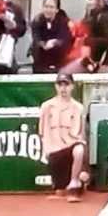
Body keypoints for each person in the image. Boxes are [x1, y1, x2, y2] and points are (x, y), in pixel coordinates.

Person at [39, 73, 87, 203]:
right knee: (60, 191)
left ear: (72, 86)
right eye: (60, 85)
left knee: (79, 150)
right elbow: (43, 131)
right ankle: (71, 183)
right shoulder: (46, 106)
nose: (63, 88)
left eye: (66, 84)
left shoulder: (78, 108)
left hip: (70, 148)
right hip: (54, 150)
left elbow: (79, 135)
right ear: (56, 87)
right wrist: (48, 150)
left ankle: (75, 183)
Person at [31, 0, 73, 73]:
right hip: (41, 59)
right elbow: (36, 38)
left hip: (58, 59)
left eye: (51, 7)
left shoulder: (63, 22)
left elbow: (66, 39)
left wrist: (55, 42)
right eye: (46, 7)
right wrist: (43, 44)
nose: (48, 10)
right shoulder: (37, 20)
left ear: (57, 10)